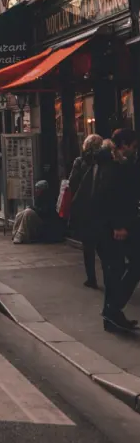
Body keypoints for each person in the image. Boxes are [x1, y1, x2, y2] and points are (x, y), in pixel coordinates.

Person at [93, 129, 140, 332]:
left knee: (116, 270)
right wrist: (119, 225)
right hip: (113, 228)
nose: (134, 150)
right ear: (123, 145)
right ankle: (113, 310)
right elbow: (109, 196)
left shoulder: (109, 162)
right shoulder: (112, 165)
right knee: (128, 266)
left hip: (110, 226)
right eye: (133, 146)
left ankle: (112, 315)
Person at [68, 134, 104, 288]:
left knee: (88, 247)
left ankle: (91, 278)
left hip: (85, 209)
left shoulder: (80, 161)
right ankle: (109, 274)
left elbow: (72, 182)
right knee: (103, 246)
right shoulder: (104, 161)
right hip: (100, 207)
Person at [12, 180, 63, 244]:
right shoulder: (38, 197)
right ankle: (15, 233)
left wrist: (33, 209)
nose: (36, 190)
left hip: (45, 222)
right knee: (20, 213)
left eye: (38, 188)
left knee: (28, 212)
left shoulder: (49, 198)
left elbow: (44, 212)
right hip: (40, 219)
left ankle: (21, 235)